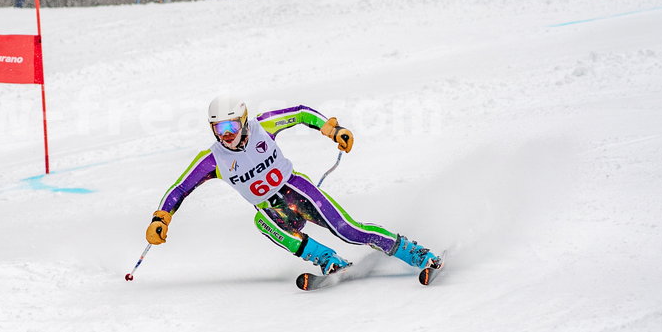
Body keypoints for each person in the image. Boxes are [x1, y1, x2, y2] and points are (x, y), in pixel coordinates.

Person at [145, 95, 441, 279]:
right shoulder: (212, 160)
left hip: (297, 191)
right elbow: (180, 188)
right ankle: (327, 259)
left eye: (231, 127)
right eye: (218, 129)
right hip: (274, 212)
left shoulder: (265, 126)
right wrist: (162, 217)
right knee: (262, 221)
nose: (226, 136)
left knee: (348, 230)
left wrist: (331, 129)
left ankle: (413, 252)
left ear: (244, 121)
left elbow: (300, 113)